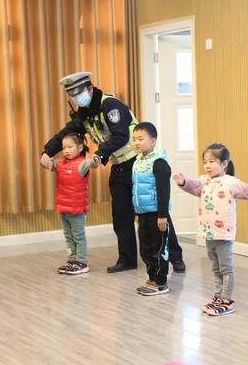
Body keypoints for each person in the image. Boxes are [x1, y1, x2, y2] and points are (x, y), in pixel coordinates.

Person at [40, 72, 185, 273]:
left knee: (153, 212)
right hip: (119, 167)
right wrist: (47, 152)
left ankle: (175, 257)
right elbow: (65, 134)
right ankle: (127, 259)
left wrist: (99, 154)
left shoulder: (111, 106)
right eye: (72, 95)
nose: (76, 98)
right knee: (121, 216)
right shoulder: (84, 114)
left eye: (79, 93)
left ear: (90, 89)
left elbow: (121, 136)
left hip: (138, 164)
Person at [174, 143, 248, 316]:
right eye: (205, 161)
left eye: (212, 161)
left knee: (226, 269)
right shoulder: (204, 181)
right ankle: (218, 297)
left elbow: (245, 189)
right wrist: (183, 182)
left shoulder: (230, 182)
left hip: (224, 234)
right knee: (215, 268)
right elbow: (193, 186)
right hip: (209, 233)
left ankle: (227, 300)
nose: (207, 165)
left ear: (224, 164)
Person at [131, 122, 177, 296]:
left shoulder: (159, 162)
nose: (136, 143)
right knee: (145, 248)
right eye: (134, 139)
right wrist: (137, 212)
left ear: (153, 141)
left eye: (140, 139)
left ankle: (161, 282)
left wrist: (162, 215)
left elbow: (164, 190)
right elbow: (137, 189)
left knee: (159, 249)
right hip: (143, 213)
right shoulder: (138, 162)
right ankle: (152, 277)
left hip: (157, 214)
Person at [44, 133, 97, 275]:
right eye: (64, 148)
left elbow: (92, 163)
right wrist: (45, 159)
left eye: (70, 147)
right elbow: (48, 163)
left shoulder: (82, 163)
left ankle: (82, 261)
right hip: (63, 207)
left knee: (78, 235)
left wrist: (95, 160)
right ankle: (72, 259)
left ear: (80, 147)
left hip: (77, 208)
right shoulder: (60, 162)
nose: (66, 150)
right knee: (68, 235)